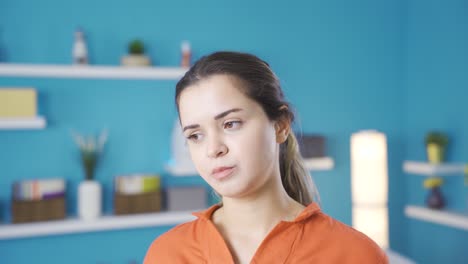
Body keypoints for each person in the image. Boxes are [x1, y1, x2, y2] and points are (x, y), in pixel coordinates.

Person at [144, 51, 388, 264]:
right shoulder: (166, 254)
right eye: (196, 135)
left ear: (280, 126)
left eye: (231, 124)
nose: (213, 149)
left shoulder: (356, 255)